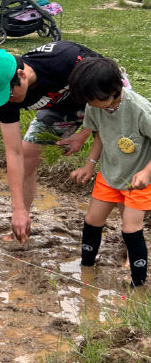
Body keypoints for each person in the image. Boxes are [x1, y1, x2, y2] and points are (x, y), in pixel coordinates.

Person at [0, 42, 104, 244]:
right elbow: (14, 152)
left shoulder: (64, 59)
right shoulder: (5, 98)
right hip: (61, 107)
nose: (6, 100)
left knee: (121, 165)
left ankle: (132, 241)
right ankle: (22, 223)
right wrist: (17, 209)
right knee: (26, 158)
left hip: (103, 97)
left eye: (8, 93)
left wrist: (83, 134)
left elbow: (104, 90)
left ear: (22, 75)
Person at [68, 58, 151, 287]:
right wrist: (89, 164)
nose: (90, 104)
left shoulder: (140, 110)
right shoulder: (94, 105)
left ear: (113, 91)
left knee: (130, 227)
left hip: (139, 180)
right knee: (92, 219)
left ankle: (138, 284)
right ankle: (86, 268)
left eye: (93, 99)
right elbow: (99, 135)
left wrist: (146, 172)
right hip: (109, 173)